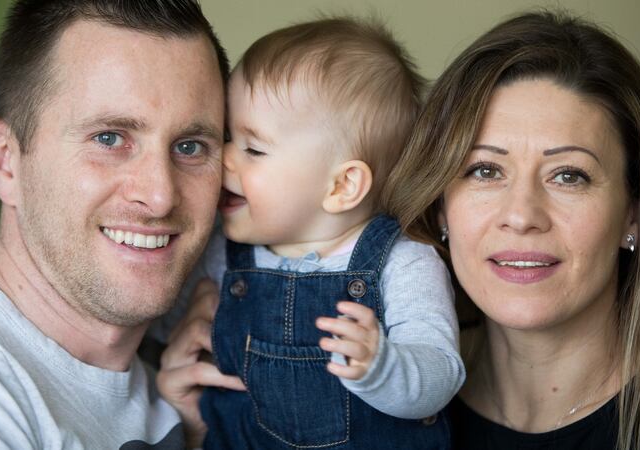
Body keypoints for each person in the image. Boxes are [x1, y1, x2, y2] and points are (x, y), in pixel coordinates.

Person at [0, 1, 244, 448]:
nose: (160, 195)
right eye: (109, 138)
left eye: (189, 146)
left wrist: (199, 433)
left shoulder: (183, 396)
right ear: (4, 161)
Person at [381, 10, 640, 450]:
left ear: (634, 214)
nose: (521, 216)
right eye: (484, 170)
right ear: (441, 207)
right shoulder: (372, 413)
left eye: (568, 176)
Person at [155, 17, 465, 449]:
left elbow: (441, 372)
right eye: (226, 136)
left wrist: (383, 366)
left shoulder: (403, 263)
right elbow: (162, 324)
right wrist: (178, 321)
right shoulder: (225, 254)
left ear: (341, 186)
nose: (222, 157)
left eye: (253, 148)